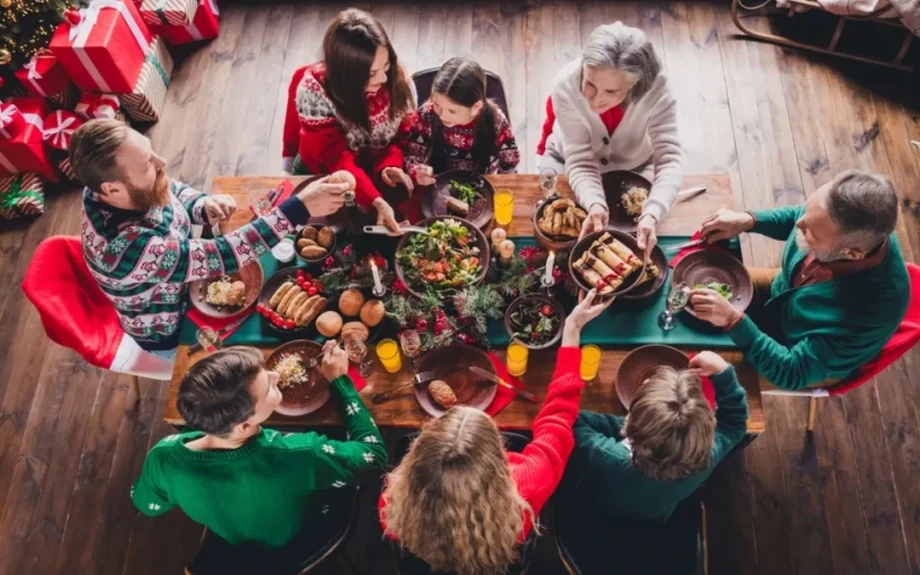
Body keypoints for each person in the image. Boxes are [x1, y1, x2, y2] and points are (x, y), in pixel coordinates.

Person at [72, 120, 351, 360]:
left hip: (193, 280)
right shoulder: (124, 249)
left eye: (151, 151)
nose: (162, 163)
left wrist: (201, 205)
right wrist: (298, 208)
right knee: (253, 359)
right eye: (147, 164)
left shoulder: (117, 189)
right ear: (112, 188)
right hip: (175, 326)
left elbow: (169, 190)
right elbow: (219, 256)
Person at [379, 290, 613, 575]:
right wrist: (573, 330)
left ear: (417, 454)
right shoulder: (529, 480)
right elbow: (559, 417)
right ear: (500, 456)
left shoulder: (392, 499)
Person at [131, 343, 386, 572]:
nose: (276, 375)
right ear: (244, 425)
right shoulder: (298, 453)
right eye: (270, 388)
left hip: (231, 542)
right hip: (305, 536)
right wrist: (341, 381)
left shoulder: (163, 457)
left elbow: (147, 505)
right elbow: (374, 458)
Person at [695, 169, 909, 390]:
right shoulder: (840, 223)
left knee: (704, 382)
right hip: (784, 292)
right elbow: (804, 216)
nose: (798, 224)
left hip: (793, 355)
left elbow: (791, 371)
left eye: (811, 232)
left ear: (852, 253)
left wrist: (733, 320)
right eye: (807, 211)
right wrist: (750, 221)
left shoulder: (871, 314)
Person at [537, 21, 682, 256]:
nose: (595, 101)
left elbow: (669, 159)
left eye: (611, 92)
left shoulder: (658, 89)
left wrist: (653, 211)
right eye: (590, 84)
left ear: (636, 85)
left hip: (636, 164)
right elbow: (580, 160)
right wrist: (594, 202)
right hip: (566, 158)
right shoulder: (565, 85)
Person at [563, 351, 747, 523]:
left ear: (629, 422)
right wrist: (723, 374)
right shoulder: (707, 456)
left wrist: (620, 424)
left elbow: (568, 420)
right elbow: (735, 423)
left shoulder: (602, 455)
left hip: (593, 511)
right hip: (654, 519)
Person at [281, 8, 417, 234]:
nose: (383, 78)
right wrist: (375, 199)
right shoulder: (314, 91)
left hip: (373, 170)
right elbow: (336, 158)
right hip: (323, 170)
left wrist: (390, 165)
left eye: (386, 66)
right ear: (346, 74)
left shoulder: (398, 82)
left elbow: (402, 139)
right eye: (371, 73)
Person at [404, 56, 520, 186]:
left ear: (476, 107)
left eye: (452, 111)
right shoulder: (427, 113)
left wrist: (501, 187)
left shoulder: (496, 121)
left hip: (483, 185)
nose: (442, 116)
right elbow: (411, 154)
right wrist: (417, 172)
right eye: (437, 104)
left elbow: (510, 164)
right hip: (437, 183)